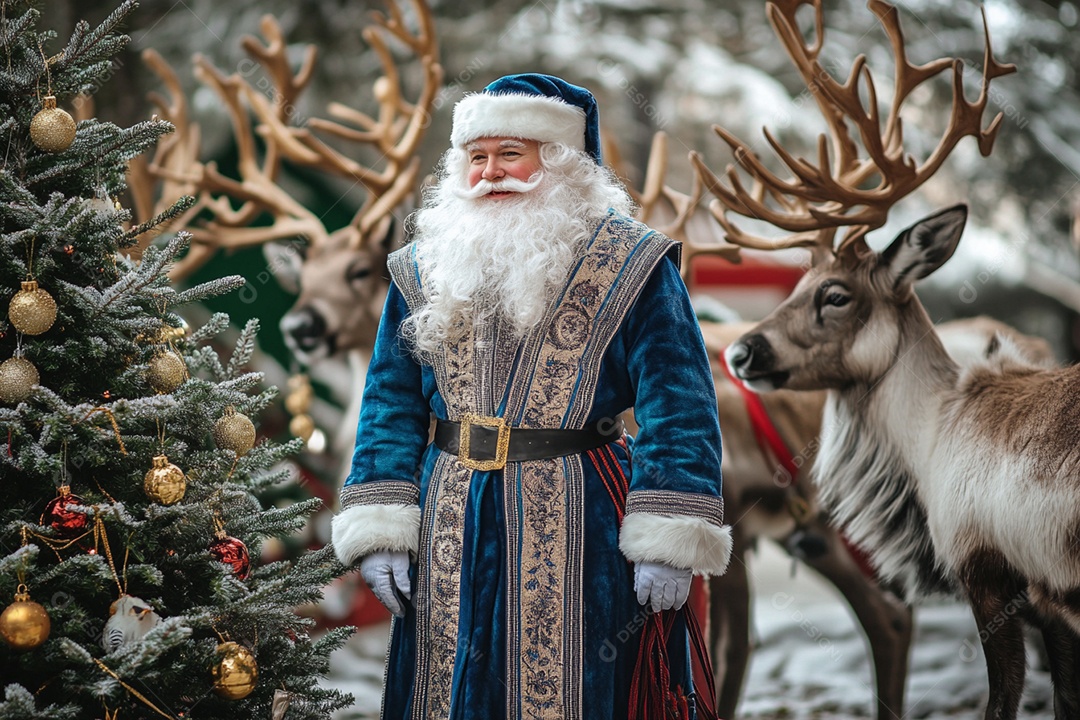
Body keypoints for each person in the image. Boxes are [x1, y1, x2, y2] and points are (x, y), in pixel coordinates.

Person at [331, 73, 731, 720]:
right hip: (447, 517)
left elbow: (679, 403)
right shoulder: (424, 265)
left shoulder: (636, 264)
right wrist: (380, 524)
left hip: (584, 522)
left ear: (563, 160)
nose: (490, 173)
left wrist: (667, 538)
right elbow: (390, 400)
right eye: (477, 157)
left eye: (510, 154)